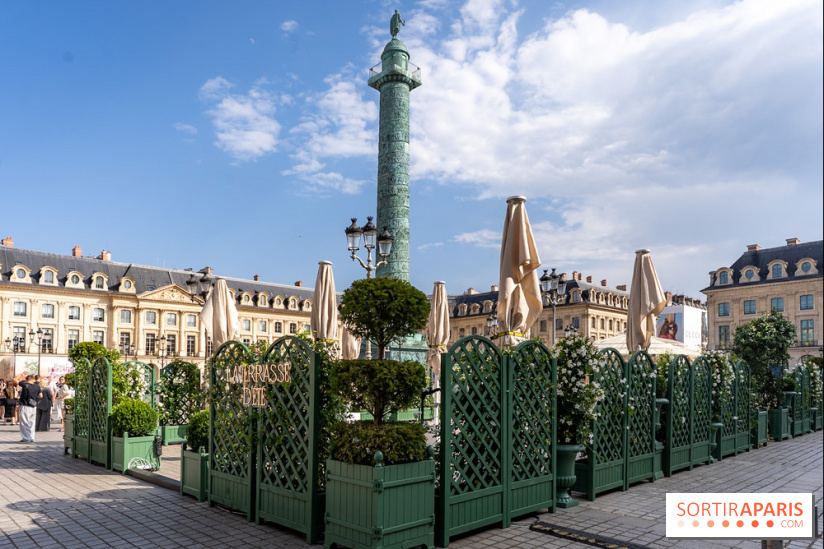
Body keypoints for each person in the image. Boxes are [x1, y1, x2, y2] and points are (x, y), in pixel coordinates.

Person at [18, 375, 38, 442]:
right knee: (32, 422)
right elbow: (40, 395)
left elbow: (15, 379)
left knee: (24, 422)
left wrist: (22, 374)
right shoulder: (37, 386)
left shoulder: (25, 385)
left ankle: (26, 438)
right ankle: (31, 437)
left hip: (25, 405)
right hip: (34, 406)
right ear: (33, 379)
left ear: (26, 379)